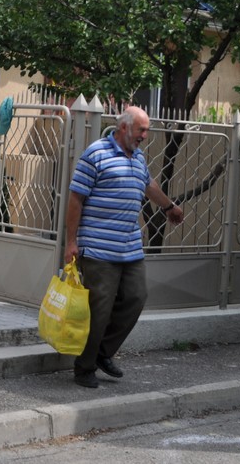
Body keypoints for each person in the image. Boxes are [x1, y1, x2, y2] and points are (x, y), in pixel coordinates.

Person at [63, 106, 185, 388]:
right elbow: (75, 199)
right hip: (99, 248)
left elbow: (149, 185)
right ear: (123, 128)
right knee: (99, 310)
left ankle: (102, 353)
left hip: (130, 247)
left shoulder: (138, 157)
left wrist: (169, 206)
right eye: (141, 130)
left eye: (146, 130)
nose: (145, 135)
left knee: (136, 298)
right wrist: (71, 242)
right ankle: (84, 368)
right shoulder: (95, 154)